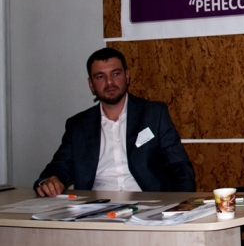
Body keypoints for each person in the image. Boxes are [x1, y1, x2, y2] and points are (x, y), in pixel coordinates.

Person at [34, 48, 195, 196]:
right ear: (91, 84)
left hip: (148, 205)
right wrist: (50, 181)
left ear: (127, 76)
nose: (109, 82)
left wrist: (179, 204)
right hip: (96, 207)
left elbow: (179, 166)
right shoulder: (78, 125)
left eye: (116, 74)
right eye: (100, 77)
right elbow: (59, 166)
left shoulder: (154, 114)